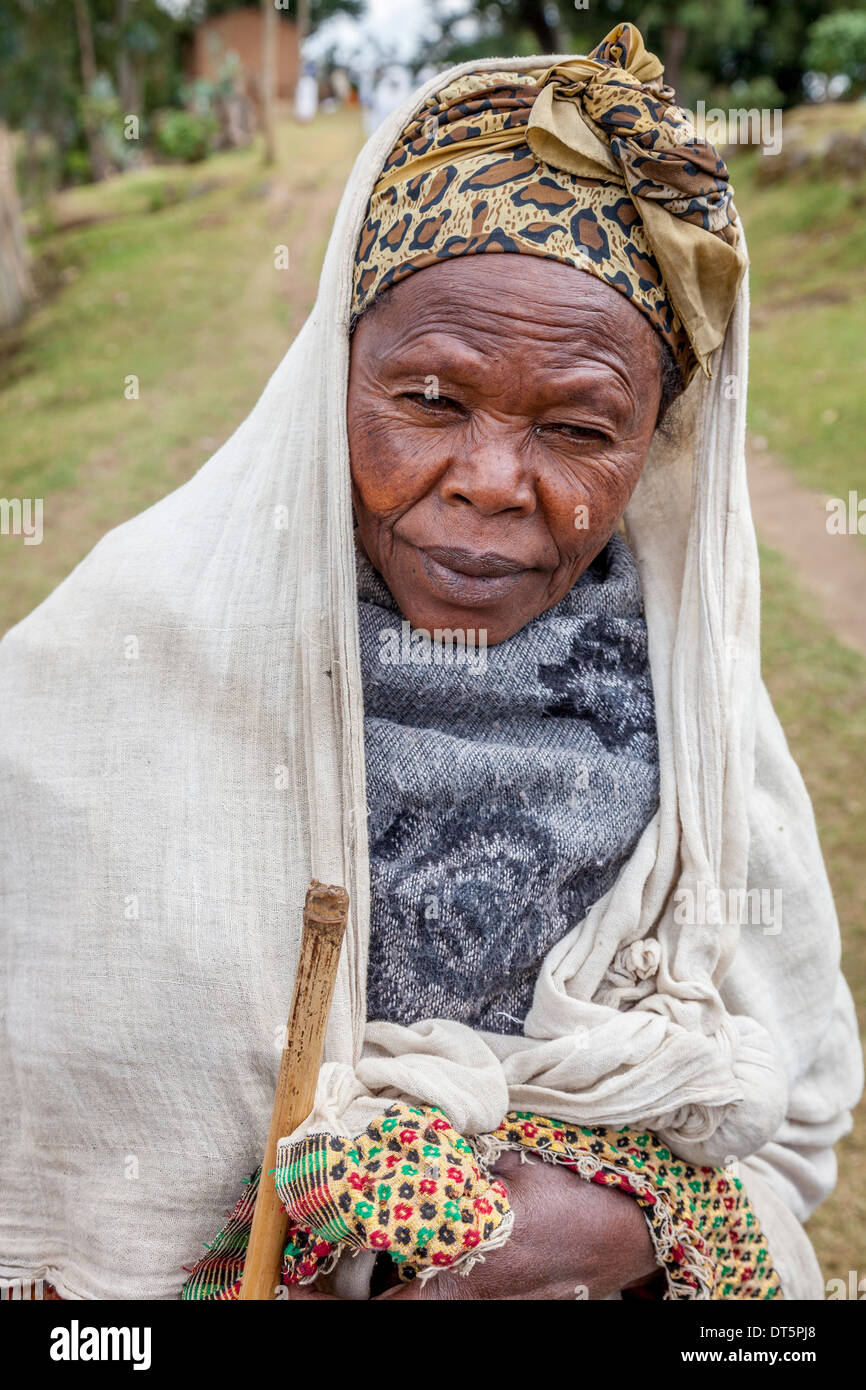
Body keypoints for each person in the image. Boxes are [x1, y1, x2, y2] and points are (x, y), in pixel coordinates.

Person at [0, 23, 860, 1302]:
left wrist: (629, 1223)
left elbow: (788, 1128)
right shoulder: (96, 688)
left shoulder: (691, 715)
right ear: (332, 376)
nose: (490, 483)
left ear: (656, 444)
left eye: (576, 427)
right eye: (428, 399)